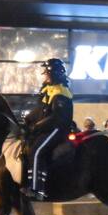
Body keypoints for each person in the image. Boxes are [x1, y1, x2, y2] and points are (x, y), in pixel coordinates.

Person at [22, 58, 74, 201]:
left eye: (46, 72)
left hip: (58, 128)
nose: (44, 75)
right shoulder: (49, 90)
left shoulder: (60, 92)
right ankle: (29, 182)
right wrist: (27, 120)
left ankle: (37, 189)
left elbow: (57, 117)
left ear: (54, 74)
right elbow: (41, 110)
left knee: (37, 151)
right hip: (48, 127)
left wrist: (37, 126)